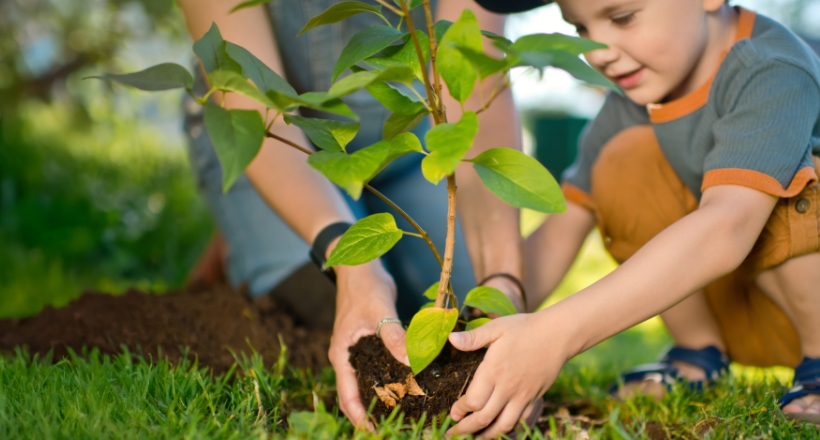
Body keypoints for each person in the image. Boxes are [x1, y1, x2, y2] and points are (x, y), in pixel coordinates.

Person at [448, 0, 820, 436]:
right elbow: (563, 226)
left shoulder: (771, 67)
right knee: (621, 159)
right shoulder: (631, 99)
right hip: (738, 301)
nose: (599, 51)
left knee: (777, 183)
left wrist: (554, 334)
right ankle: (697, 356)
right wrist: (481, 330)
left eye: (622, 17)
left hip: (796, 295)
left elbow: (727, 228)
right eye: (580, 27)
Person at [176, 0, 526, 429]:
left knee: (464, 304)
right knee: (330, 310)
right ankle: (249, 219)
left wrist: (506, 285)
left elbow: (473, 84)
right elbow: (257, 112)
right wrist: (355, 266)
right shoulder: (261, 119)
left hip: (405, 147)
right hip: (273, 138)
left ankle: (311, 215)